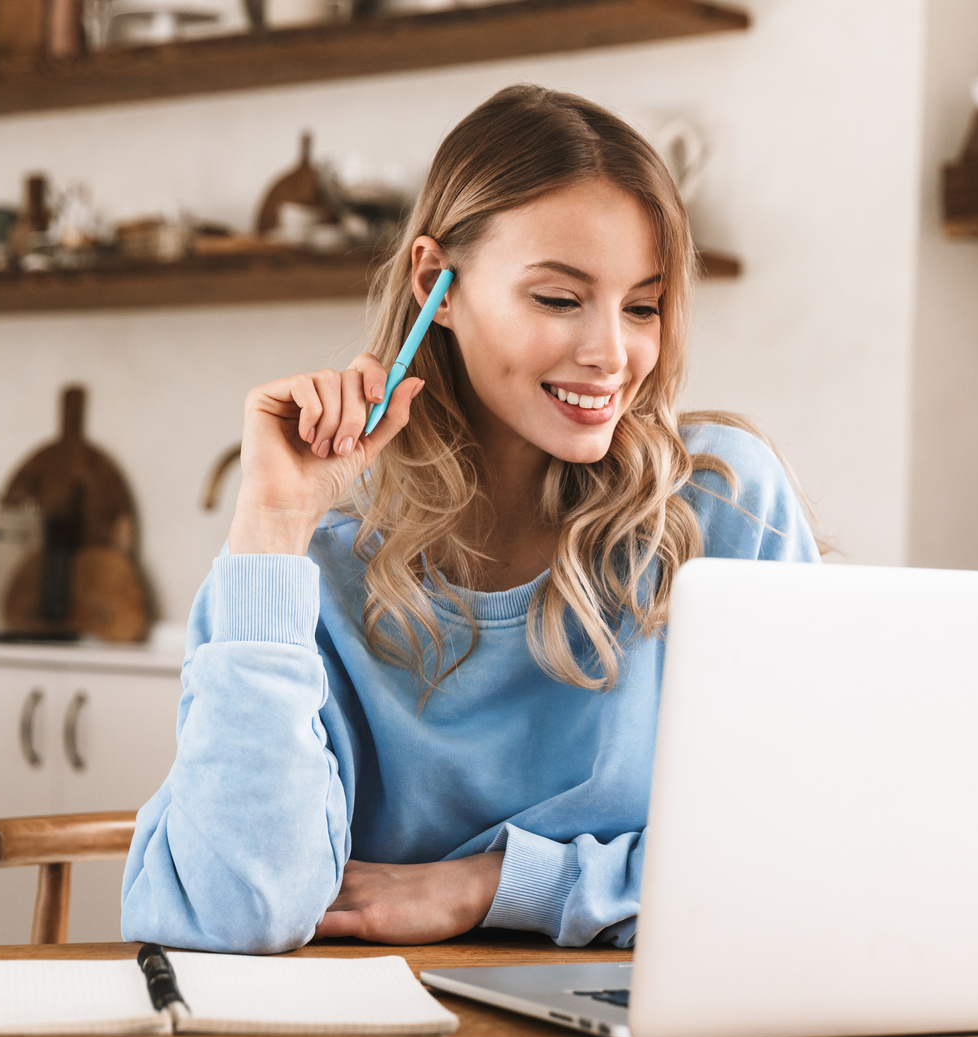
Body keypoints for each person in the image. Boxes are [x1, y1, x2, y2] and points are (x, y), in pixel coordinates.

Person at [121, 85, 822, 955]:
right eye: (560, 299)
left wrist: (492, 885)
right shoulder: (319, 566)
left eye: (642, 305)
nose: (612, 352)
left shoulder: (718, 506)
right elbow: (238, 909)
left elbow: (802, 858)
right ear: (436, 285)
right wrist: (271, 525)